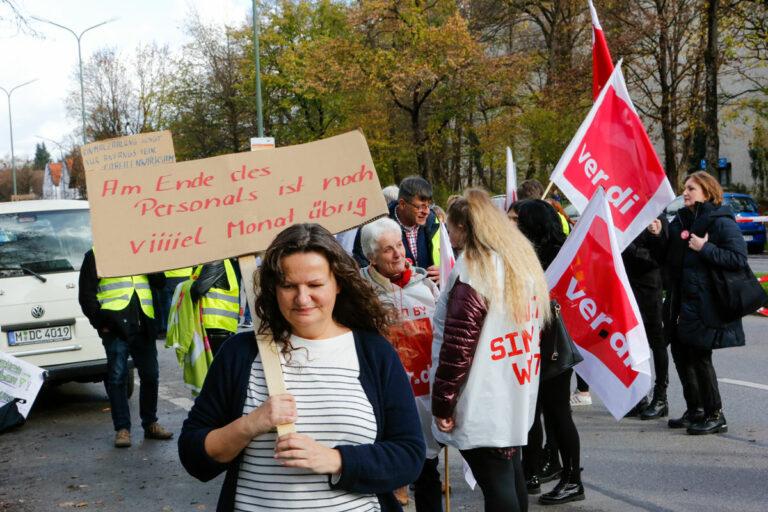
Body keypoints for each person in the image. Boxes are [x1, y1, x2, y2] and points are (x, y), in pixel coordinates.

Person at [179, 223, 425, 511]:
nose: (302, 298)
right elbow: (193, 455)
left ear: (338, 283)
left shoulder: (374, 353)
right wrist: (249, 425)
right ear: (274, 288)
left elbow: (409, 456)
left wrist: (336, 460)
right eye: (289, 285)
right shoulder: (241, 354)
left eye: (315, 285)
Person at [431, 189, 549, 512]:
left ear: (464, 230)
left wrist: (443, 403)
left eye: (452, 227)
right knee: (510, 477)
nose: (448, 233)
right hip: (514, 389)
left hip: (484, 394)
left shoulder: (473, 271)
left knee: (499, 482)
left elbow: (457, 347)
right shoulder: (517, 262)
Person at [360, 218, 442, 511]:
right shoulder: (360, 293)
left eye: (399, 245)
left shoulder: (427, 288)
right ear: (371, 257)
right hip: (384, 395)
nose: (398, 254)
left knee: (427, 468)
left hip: (424, 392)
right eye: (387, 250)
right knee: (388, 470)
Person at [511, 199, 585, 505]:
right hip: (530, 344)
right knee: (530, 412)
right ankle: (533, 471)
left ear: (532, 224)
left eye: (516, 219)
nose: (510, 224)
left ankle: (572, 479)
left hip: (553, 347)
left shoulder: (556, 257)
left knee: (557, 413)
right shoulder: (523, 254)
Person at [664, 171, 746, 435]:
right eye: (685, 188)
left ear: (707, 192)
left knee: (700, 357)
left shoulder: (720, 222)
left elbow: (738, 259)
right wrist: (657, 235)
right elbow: (669, 256)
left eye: (691, 188)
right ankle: (695, 409)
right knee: (681, 354)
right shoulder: (683, 219)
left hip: (705, 303)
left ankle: (715, 414)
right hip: (681, 301)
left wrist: (705, 248)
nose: (685, 192)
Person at [78, 248, 174, 448]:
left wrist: (150, 262)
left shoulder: (141, 248)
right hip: (114, 326)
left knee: (150, 374)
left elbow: (160, 282)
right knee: (117, 377)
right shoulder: (96, 254)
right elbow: (86, 295)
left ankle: (150, 423)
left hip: (143, 322)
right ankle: (122, 429)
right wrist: (100, 322)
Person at [621, 216, 670, 420]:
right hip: (627, 285)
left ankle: (660, 396)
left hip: (649, 289)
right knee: (633, 344)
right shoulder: (626, 217)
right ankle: (640, 395)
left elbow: (659, 256)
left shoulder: (656, 216)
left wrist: (626, 246)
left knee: (656, 342)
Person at [354, 176, 441, 283]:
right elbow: (362, 264)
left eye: (428, 206)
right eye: (420, 207)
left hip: (430, 294)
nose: (426, 212)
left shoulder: (434, 223)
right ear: (402, 204)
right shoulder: (375, 226)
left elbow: (449, 257)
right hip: (389, 296)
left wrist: (443, 270)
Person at [190, 259, 241, 355]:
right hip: (219, 325)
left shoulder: (215, 261)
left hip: (215, 325)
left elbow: (198, 289)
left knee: (214, 367)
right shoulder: (219, 261)